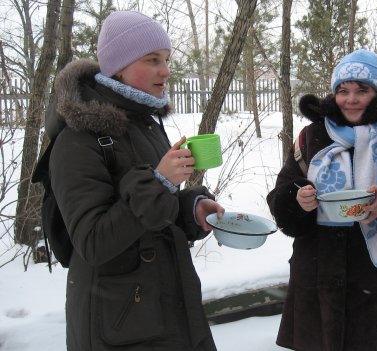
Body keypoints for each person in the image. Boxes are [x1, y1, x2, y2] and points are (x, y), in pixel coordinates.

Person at [45, 11, 222, 351]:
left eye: (167, 59)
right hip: (118, 326)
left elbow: (153, 216)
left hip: (169, 308)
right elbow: (94, 241)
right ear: (119, 67)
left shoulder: (144, 124)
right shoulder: (78, 139)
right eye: (152, 60)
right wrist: (158, 182)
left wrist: (191, 209)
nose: (166, 70)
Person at [267, 49, 377, 351]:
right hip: (318, 273)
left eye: (363, 90)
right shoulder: (312, 137)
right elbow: (279, 198)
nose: (351, 99)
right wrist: (298, 200)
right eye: (343, 91)